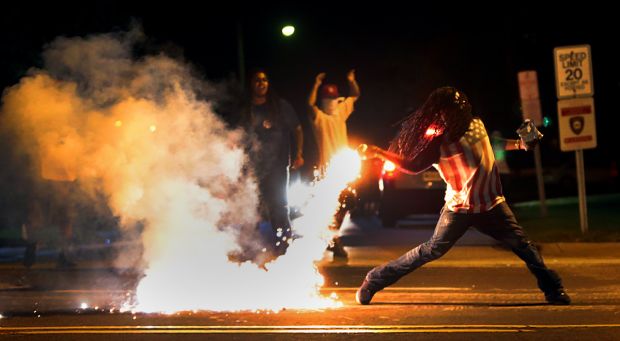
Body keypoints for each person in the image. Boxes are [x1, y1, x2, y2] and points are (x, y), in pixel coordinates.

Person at [355, 86, 570, 305]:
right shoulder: (438, 141)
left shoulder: (476, 123)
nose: (459, 113)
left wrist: (520, 144)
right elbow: (413, 166)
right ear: (442, 113)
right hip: (459, 209)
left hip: (492, 205)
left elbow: (490, 142)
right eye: (452, 110)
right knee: (430, 251)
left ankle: (554, 290)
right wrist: (379, 153)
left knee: (524, 246)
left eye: (461, 108)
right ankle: (375, 279)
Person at [242, 69, 304, 257]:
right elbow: (238, 134)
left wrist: (298, 153)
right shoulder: (246, 109)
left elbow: (298, 129)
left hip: (277, 166)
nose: (261, 83)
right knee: (250, 206)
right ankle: (249, 248)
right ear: (251, 84)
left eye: (265, 80)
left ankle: (285, 246)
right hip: (253, 166)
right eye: (257, 80)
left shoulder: (280, 106)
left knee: (278, 206)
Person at [308, 69, 360, 259]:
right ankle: (333, 240)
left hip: (343, 169)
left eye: (333, 99)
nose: (331, 103)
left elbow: (355, 95)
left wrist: (350, 80)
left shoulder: (340, 114)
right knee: (332, 206)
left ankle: (331, 237)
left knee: (347, 203)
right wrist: (315, 85)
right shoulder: (320, 119)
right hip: (326, 171)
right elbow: (309, 105)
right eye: (328, 99)